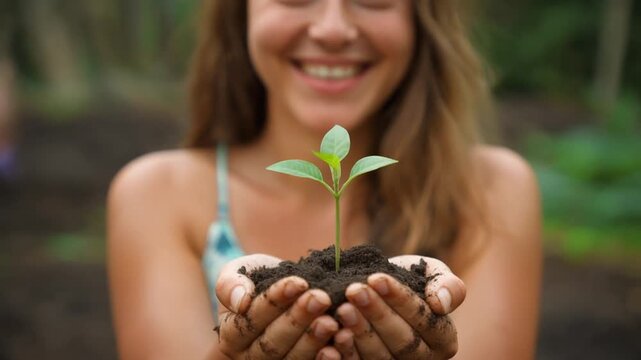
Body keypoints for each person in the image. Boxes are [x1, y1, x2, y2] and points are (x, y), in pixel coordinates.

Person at [107, 1, 542, 359]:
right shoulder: (157, 194)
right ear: (241, 11)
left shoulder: (491, 190)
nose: (333, 29)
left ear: (420, 16)